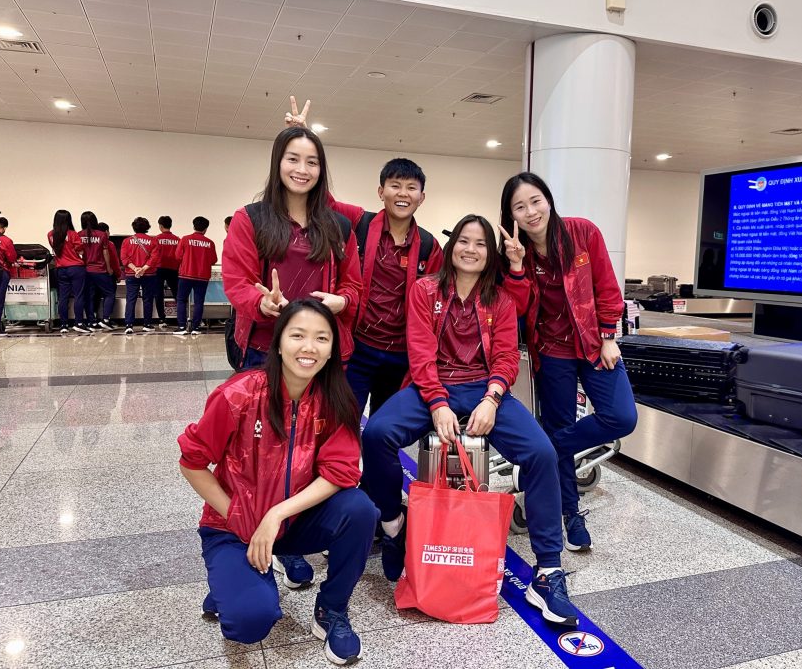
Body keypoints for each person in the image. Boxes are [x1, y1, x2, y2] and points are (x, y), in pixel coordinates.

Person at [361, 215, 580, 627]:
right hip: (432, 384)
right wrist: (437, 402)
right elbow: (420, 352)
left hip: (484, 387)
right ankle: (392, 524)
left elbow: (506, 356)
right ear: (452, 246)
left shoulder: (500, 299)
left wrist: (492, 398)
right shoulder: (425, 290)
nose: (471, 249)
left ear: (489, 254)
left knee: (541, 453)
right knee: (376, 433)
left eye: (480, 244)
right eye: (464, 240)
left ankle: (548, 572)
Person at [178, 299, 376, 664]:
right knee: (249, 621)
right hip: (233, 526)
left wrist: (276, 514)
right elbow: (192, 463)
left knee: (360, 510)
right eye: (297, 335)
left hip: (293, 522)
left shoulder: (335, 400)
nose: (309, 347)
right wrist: (238, 515)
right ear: (279, 342)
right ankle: (230, 584)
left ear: (332, 349)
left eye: (321, 338)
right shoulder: (239, 394)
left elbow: (340, 472)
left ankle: (331, 610)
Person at [222, 124, 362, 588]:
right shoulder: (251, 219)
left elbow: (355, 285)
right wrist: (261, 302)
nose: (302, 169)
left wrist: (342, 301)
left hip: (318, 356)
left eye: (312, 161)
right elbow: (237, 281)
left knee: (311, 450)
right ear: (277, 163)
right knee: (260, 452)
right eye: (293, 159)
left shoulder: (338, 225)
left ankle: (291, 535)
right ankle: (258, 537)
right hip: (264, 352)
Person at [499, 172, 637, 552]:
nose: (531, 212)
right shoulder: (515, 254)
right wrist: (515, 268)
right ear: (511, 215)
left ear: (548, 200)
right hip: (551, 353)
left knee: (621, 417)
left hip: (593, 343)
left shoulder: (582, 233)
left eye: (536, 201)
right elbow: (515, 310)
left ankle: (544, 446)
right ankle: (570, 514)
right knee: (560, 422)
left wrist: (609, 336)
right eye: (520, 207)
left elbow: (607, 286)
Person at [329, 158, 444, 419]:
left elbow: (436, 303)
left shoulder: (429, 246)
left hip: (400, 357)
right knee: (343, 421)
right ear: (381, 192)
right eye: (395, 186)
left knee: (384, 429)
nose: (403, 194)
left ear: (422, 197)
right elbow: (323, 201)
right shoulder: (359, 222)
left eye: (411, 188)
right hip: (357, 348)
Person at [175, 216, 218, 335]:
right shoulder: (210, 243)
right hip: (203, 276)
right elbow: (213, 260)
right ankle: (196, 328)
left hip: (186, 275)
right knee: (199, 302)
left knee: (181, 300)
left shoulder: (185, 239)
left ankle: (182, 327)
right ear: (206, 229)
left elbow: (177, 256)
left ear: (193, 226)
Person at [120, 217, 161, 335]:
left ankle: (129, 325)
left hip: (131, 274)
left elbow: (124, 258)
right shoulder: (153, 241)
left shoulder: (127, 241)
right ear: (147, 227)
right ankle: (147, 324)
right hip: (149, 274)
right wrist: (143, 269)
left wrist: (135, 269)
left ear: (134, 227)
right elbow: (154, 258)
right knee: (147, 299)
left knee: (131, 299)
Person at [79, 211, 115, 331]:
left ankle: (91, 321)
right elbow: (105, 252)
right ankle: (105, 320)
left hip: (85, 270)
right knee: (109, 293)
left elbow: (78, 252)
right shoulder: (102, 235)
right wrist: (109, 268)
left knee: (89, 296)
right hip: (100, 270)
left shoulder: (79, 235)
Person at [154, 215, 181, 327]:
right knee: (177, 294)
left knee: (158, 294)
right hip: (173, 269)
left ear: (160, 226)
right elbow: (180, 255)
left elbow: (153, 254)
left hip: (159, 268)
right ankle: (181, 318)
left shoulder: (156, 239)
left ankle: (162, 319)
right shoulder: (177, 239)